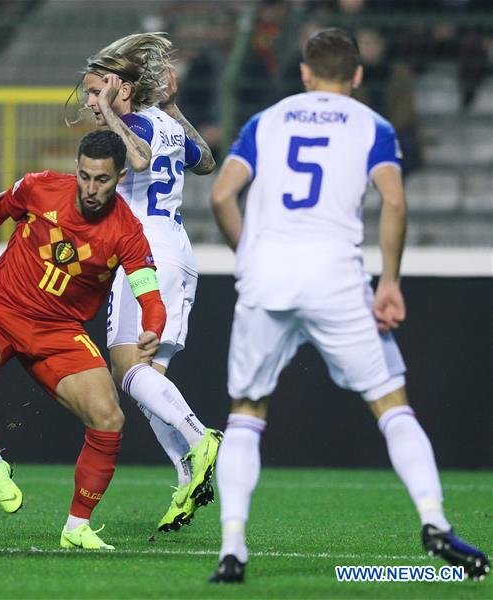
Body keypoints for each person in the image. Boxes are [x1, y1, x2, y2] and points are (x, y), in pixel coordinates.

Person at [207, 28, 490, 583]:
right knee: (392, 404)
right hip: (335, 278)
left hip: (268, 278)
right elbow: (394, 201)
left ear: (305, 73)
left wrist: (250, 257)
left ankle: (232, 549)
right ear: (357, 76)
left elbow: (221, 195)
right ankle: (434, 522)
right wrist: (390, 282)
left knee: (246, 411)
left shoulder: (267, 120)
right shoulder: (372, 126)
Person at [0, 130, 166, 550]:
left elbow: (149, 293)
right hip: (2, 308)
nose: (90, 188)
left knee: (109, 418)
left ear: (120, 177)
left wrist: (153, 326)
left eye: (102, 180)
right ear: (76, 168)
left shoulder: (127, 232)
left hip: (60, 331)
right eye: (84, 176)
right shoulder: (38, 187)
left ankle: (76, 527)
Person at [78, 32, 222, 532]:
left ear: (122, 88)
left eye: (96, 91)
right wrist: (175, 108)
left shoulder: (135, 124)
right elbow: (206, 161)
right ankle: (186, 475)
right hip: (178, 253)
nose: (91, 102)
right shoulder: (166, 122)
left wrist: (112, 113)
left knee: (125, 368)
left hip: (144, 255)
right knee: (148, 379)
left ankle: (201, 439)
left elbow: (137, 159)